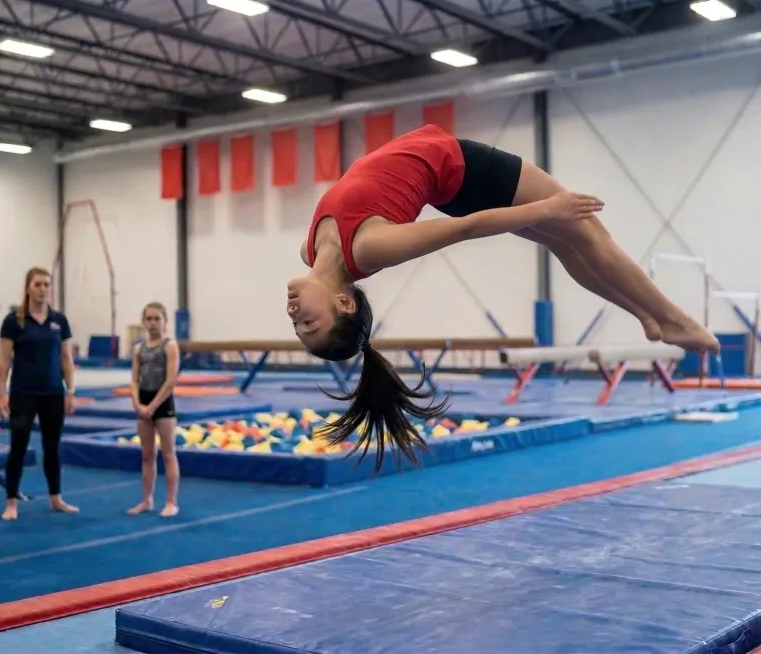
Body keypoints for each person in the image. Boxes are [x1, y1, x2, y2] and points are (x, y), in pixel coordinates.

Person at [288, 124, 721, 470]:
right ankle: (671, 318)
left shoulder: (310, 249)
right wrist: (547, 209)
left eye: (298, 325)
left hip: (451, 183)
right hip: (463, 169)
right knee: (586, 233)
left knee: (568, 244)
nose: (295, 315)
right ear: (344, 303)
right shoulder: (368, 247)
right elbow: (466, 228)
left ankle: (646, 315)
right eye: (310, 323)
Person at [0, 267, 77, 521]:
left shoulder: (59, 321)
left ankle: (56, 497)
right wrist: (0, 394)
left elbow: (66, 357)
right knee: (18, 446)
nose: (43, 289)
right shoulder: (14, 321)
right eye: (38, 284)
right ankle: (11, 501)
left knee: (52, 447)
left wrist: (71, 390)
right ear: (28, 287)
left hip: (53, 391)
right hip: (23, 392)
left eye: (46, 284)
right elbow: (4, 360)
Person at [126, 302, 181, 518]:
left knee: (168, 453)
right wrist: (138, 404)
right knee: (147, 455)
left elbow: (170, 381)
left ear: (165, 321)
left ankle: (170, 502)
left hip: (163, 402)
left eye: (157, 319)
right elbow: (133, 379)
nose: (153, 323)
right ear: (143, 322)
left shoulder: (170, 345)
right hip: (144, 402)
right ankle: (146, 500)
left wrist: (152, 406)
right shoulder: (139, 348)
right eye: (149, 319)